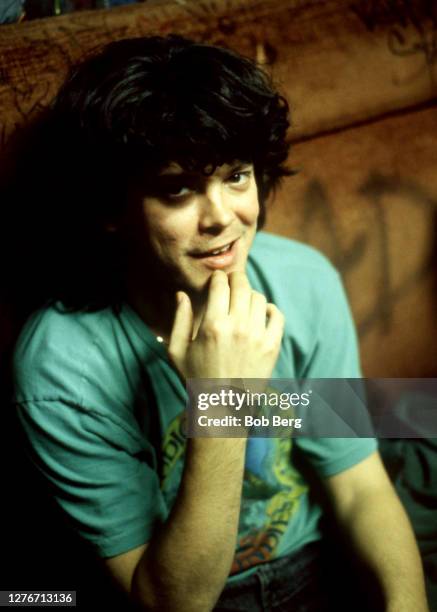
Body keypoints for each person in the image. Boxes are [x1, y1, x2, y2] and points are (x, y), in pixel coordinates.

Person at [9, 35, 429, 611]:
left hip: (316, 563)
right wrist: (223, 397)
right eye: (178, 188)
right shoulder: (62, 367)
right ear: (112, 208)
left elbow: (357, 484)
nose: (223, 219)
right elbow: (169, 603)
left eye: (236, 175)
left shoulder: (303, 280)